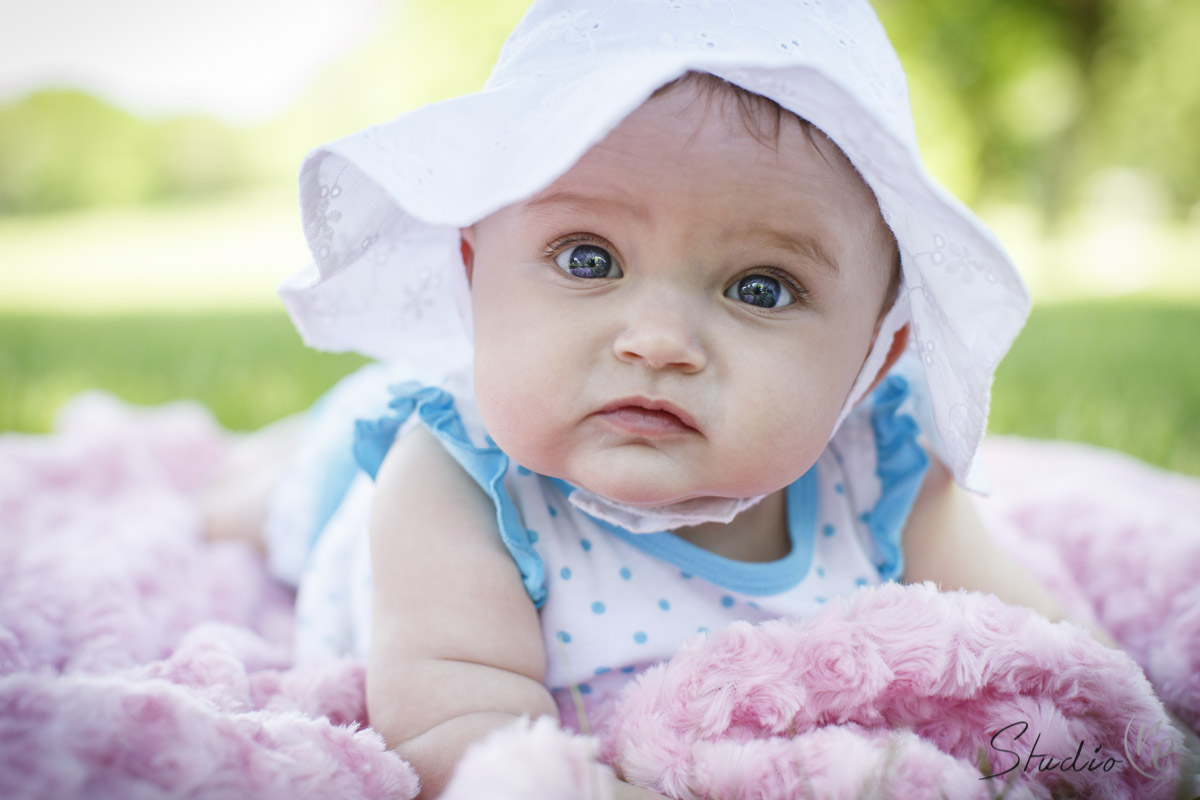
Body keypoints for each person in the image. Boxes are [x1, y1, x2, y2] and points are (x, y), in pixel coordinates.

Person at [214, 1, 1103, 796]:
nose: (658, 341)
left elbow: (1040, 645)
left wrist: (1110, 738)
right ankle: (258, 467)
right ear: (475, 276)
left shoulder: (886, 468)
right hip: (358, 501)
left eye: (761, 288)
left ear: (874, 357)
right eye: (587, 259)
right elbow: (457, 736)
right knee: (274, 496)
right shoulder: (452, 485)